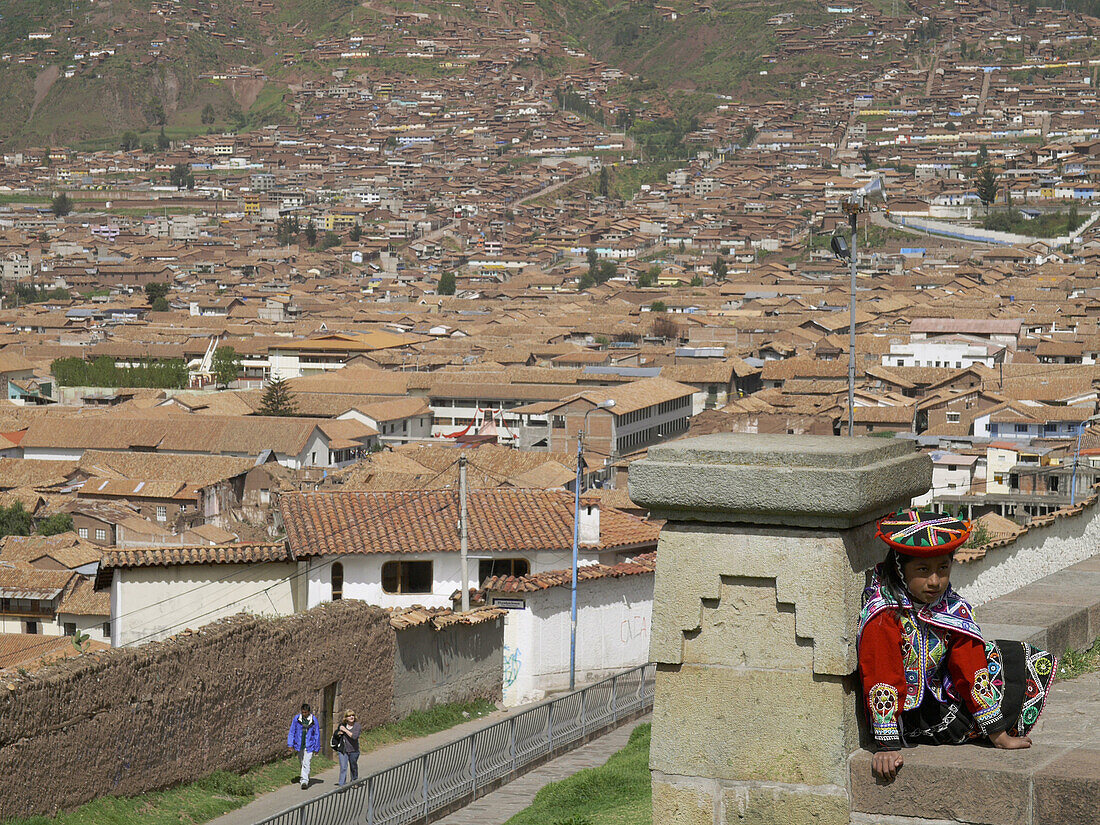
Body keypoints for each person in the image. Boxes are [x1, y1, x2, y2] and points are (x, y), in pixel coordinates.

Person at [858, 509, 1057, 784]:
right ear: (900, 570)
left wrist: (997, 733)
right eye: (923, 570)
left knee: (1015, 658)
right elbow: (882, 675)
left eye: (943, 568)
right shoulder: (884, 615)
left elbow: (969, 663)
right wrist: (887, 745)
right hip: (911, 713)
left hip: (941, 687)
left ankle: (990, 725)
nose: (935, 581)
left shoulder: (950, 606)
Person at [287, 702, 321, 790]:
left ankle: (304, 781)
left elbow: (316, 733)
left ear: (309, 712)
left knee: (307, 762)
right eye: (303, 712)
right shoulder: (297, 719)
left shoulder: (313, 720)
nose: (304, 714)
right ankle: (304, 776)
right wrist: (290, 744)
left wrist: (317, 747)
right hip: (299, 744)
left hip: (309, 744)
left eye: (306, 712)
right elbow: (292, 731)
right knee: (302, 761)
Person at [335, 708, 362, 786]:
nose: (351, 717)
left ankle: (354, 780)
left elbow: (354, 737)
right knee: (343, 767)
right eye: (349, 716)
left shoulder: (357, 726)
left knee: (353, 766)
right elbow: (336, 735)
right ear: (346, 718)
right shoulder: (342, 725)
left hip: (354, 750)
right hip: (343, 750)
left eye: (352, 715)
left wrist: (345, 730)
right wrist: (339, 733)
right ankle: (342, 785)